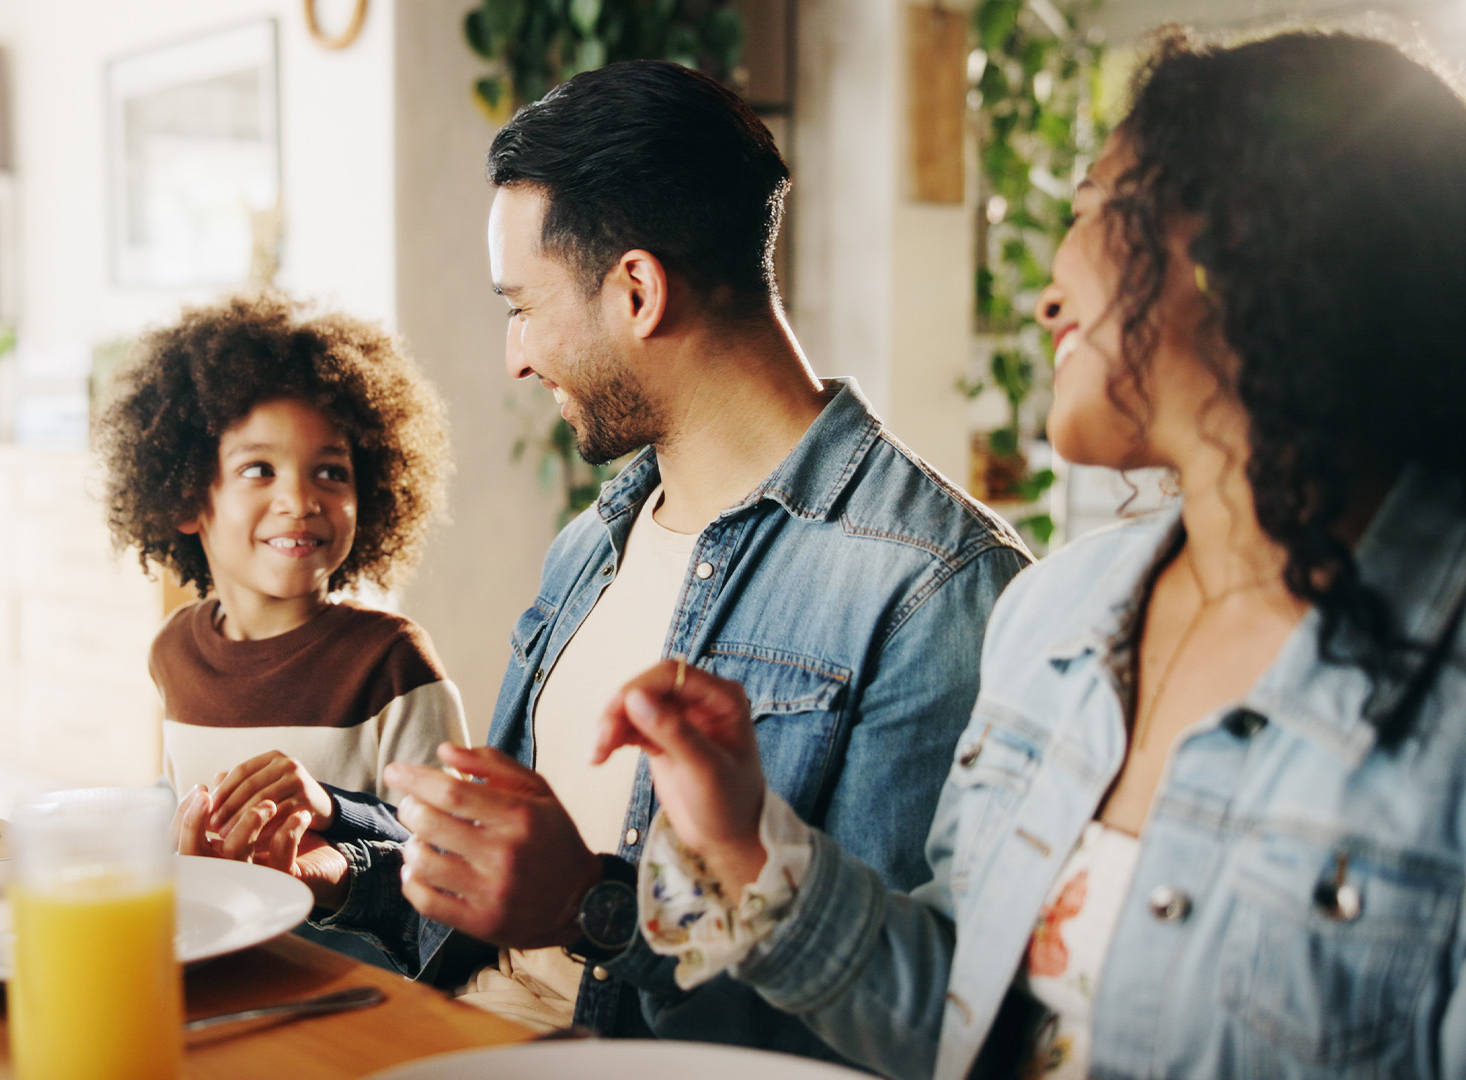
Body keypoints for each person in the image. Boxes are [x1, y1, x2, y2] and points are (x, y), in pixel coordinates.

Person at [596, 28, 1466, 1080]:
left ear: (1244, 239)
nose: (1050, 297)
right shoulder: (1057, 616)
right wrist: (747, 847)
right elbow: (972, 1020)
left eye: (1095, 208)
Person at [183, 60, 1029, 1052]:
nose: (514, 357)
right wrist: (341, 865)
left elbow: (907, 1023)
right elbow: (501, 903)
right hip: (456, 1029)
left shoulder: (934, 587)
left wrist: (596, 908)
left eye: (521, 306)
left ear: (637, 291)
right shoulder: (592, 547)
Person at [94, 291, 468, 830]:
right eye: (259, 470)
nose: (299, 500)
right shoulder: (173, 652)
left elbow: (447, 847)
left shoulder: (392, 664)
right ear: (187, 499)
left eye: (331, 472)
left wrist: (332, 811)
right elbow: (181, 798)